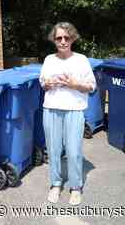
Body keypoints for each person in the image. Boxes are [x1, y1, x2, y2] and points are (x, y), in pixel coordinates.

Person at [39, 22, 96, 205]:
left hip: (74, 110)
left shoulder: (81, 59)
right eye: (58, 38)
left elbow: (91, 86)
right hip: (51, 109)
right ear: (54, 40)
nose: (63, 41)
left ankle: (76, 187)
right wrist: (49, 83)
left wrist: (74, 85)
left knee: (73, 151)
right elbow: (43, 83)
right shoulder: (49, 59)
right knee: (53, 150)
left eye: (66, 37)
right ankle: (55, 184)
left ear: (72, 38)